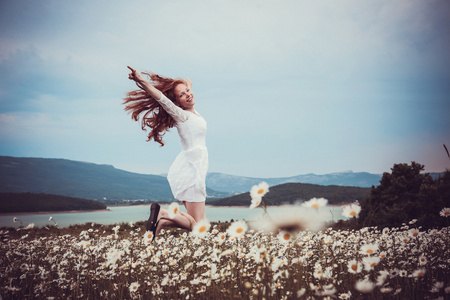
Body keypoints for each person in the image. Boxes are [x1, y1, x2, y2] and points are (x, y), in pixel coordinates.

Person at [124, 66, 208, 241]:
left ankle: (161, 221)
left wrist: (187, 84)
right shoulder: (182, 115)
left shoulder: (194, 113)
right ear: (176, 102)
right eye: (182, 95)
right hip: (192, 171)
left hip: (194, 169)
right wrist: (140, 81)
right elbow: (161, 98)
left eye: (188, 91)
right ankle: (162, 213)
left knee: (200, 222)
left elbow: (186, 88)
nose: (188, 95)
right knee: (199, 225)